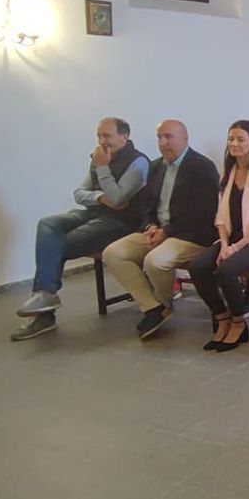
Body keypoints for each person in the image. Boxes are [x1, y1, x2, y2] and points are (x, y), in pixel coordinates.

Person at [12, 117, 150, 341]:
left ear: (124, 137)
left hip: (121, 222)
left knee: (56, 244)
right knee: (47, 224)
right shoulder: (98, 158)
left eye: (107, 135)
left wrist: (103, 170)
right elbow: (79, 193)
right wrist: (101, 197)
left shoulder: (138, 162)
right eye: (99, 135)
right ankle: (44, 296)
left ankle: (45, 311)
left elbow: (119, 198)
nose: (101, 140)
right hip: (95, 212)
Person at [100, 119, 218, 340]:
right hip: (160, 231)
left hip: (192, 236)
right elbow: (145, 206)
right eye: (159, 137)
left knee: (155, 261)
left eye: (169, 137)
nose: (163, 143)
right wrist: (151, 226)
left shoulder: (202, 167)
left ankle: (164, 305)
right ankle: (153, 307)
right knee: (113, 253)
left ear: (185, 138)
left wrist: (168, 231)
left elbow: (204, 212)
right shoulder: (156, 167)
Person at [190, 120, 249, 353]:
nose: (234, 143)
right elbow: (221, 215)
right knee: (198, 266)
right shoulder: (231, 170)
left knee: (226, 270)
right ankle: (222, 317)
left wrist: (235, 247)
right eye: (231, 139)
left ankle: (239, 322)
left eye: (240, 139)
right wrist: (224, 244)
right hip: (232, 239)